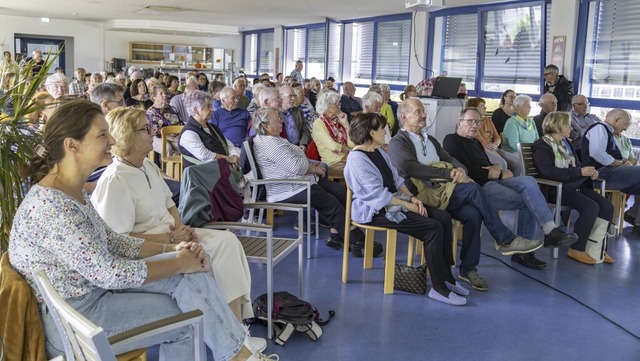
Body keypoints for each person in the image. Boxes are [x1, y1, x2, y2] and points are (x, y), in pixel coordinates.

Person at [8, 100, 276, 361]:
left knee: (192, 281)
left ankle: (239, 355)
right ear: (72, 145)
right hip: (75, 317)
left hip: (89, 297)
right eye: (102, 135)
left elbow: (113, 241)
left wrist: (173, 251)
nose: (112, 141)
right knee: (189, 318)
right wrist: (177, 262)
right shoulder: (55, 207)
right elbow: (108, 273)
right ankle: (240, 355)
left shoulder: (69, 190)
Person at [92, 106, 263, 350]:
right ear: (126, 136)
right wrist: (173, 237)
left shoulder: (146, 165)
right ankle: (229, 337)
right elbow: (120, 239)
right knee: (205, 257)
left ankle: (236, 327)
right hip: (149, 248)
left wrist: (184, 229)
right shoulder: (115, 179)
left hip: (172, 235)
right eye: (145, 129)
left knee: (227, 243)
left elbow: (170, 205)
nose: (153, 132)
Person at [389, 99, 544, 287]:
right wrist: (448, 173)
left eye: (423, 111)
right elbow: (409, 168)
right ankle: (506, 239)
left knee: (473, 213)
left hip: (445, 192)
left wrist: (460, 170)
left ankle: (468, 270)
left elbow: (450, 159)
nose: (423, 115)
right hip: (424, 195)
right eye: (418, 111)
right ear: (404, 116)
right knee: (472, 189)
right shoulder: (399, 141)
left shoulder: (429, 139)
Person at [345, 112, 469, 305]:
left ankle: (446, 277)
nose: (386, 131)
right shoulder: (357, 160)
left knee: (443, 218)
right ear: (370, 132)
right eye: (381, 129)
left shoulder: (378, 152)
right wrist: (408, 204)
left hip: (394, 204)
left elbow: (397, 179)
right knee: (432, 228)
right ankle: (438, 288)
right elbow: (378, 196)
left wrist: (413, 197)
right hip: (375, 211)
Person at [442, 107, 579, 269]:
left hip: (494, 180)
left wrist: (499, 169)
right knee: (528, 201)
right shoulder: (451, 140)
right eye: (470, 121)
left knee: (528, 181)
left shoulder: (476, 142)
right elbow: (467, 170)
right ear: (459, 122)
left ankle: (550, 230)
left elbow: (487, 165)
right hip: (478, 187)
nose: (475, 125)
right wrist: (496, 172)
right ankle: (524, 253)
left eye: (478, 122)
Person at [252, 107, 375, 256]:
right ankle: (358, 241)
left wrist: (311, 164)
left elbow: (295, 161)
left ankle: (336, 237)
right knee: (330, 203)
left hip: (301, 180)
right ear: (266, 126)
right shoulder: (270, 143)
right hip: (288, 188)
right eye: (276, 118)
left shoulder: (274, 139)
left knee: (340, 192)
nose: (281, 120)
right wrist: (313, 168)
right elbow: (296, 166)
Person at [532, 112, 614, 264]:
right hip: (555, 189)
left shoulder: (566, 144)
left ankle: (596, 249)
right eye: (567, 125)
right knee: (591, 207)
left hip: (573, 186)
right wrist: (579, 172)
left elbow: (576, 165)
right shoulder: (542, 145)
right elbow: (548, 172)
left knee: (607, 206)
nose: (570, 128)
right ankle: (577, 248)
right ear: (557, 126)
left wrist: (590, 171)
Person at [581, 108, 640, 235]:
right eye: (625, 125)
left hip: (609, 171)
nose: (625, 129)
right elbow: (597, 152)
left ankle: (634, 216)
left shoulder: (606, 131)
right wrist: (617, 162)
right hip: (600, 173)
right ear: (616, 119)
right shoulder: (600, 128)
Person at [179, 90, 241, 169]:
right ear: (196, 110)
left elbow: (228, 145)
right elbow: (205, 155)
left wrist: (234, 156)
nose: (212, 109)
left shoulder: (212, 127)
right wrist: (229, 159)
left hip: (221, 170)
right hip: (204, 175)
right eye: (208, 106)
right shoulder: (188, 133)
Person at [467, 97, 521, 176]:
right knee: (503, 163)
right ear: (474, 109)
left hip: (494, 147)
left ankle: (515, 182)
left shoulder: (487, 120)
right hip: (484, 150)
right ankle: (504, 183)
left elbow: (497, 137)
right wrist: (494, 150)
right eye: (482, 106)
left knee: (518, 162)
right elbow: (480, 141)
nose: (485, 108)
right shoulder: (473, 123)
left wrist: (495, 144)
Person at [311, 90, 354, 178]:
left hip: (348, 159)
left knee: (367, 168)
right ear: (328, 107)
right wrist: (352, 151)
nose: (340, 106)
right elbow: (334, 147)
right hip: (333, 163)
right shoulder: (318, 123)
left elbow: (352, 144)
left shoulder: (339, 121)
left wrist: (346, 125)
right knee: (359, 171)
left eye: (339, 104)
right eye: (337, 104)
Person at [146, 84, 183, 155]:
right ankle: (167, 165)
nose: (165, 95)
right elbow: (156, 132)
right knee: (167, 148)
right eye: (161, 94)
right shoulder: (151, 111)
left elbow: (180, 124)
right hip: (157, 137)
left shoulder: (171, 108)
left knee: (182, 147)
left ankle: (181, 165)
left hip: (174, 136)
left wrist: (178, 136)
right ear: (154, 97)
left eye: (165, 93)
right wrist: (173, 139)